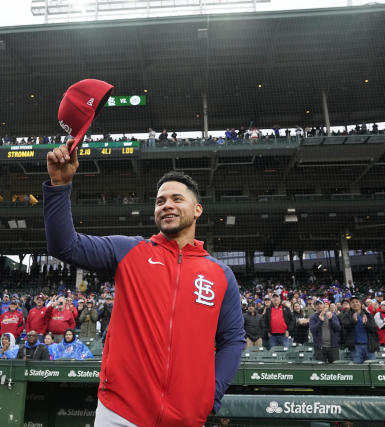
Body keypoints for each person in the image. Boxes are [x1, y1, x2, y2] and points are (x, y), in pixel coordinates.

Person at [44, 141, 245, 427]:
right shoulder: (129, 251)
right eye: (160, 201)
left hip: (186, 418)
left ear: (197, 209)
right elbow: (64, 246)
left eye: (177, 199)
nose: (167, 205)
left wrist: (211, 395)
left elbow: (233, 340)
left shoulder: (221, 274)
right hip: (121, 414)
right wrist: (59, 185)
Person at [339, 297, 379, 363]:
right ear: (350, 305)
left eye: (357, 302)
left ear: (360, 304)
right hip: (355, 347)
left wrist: (366, 323)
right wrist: (353, 322)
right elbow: (345, 327)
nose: (355, 304)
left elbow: (374, 328)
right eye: (353, 302)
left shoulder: (368, 315)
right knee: (358, 368)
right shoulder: (346, 315)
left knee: (372, 368)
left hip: (369, 346)